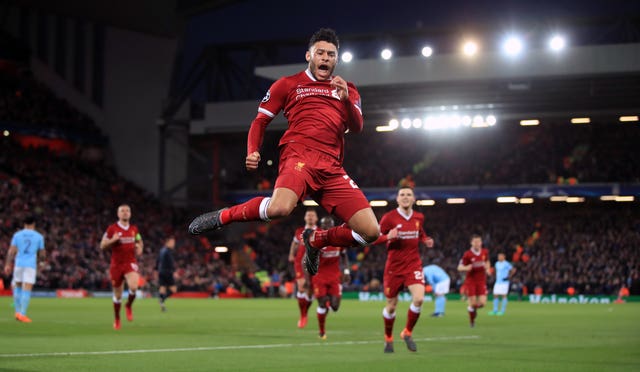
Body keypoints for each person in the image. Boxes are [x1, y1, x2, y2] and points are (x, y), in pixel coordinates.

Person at [188, 28, 379, 276]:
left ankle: (316, 240)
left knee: (371, 232)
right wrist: (252, 150)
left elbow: (357, 127)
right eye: (320, 52)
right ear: (308, 55)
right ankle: (224, 216)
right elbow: (260, 121)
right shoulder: (288, 84)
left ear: (336, 59)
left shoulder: (347, 89)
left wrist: (344, 100)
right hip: (299, 158)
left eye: (331, 54)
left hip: (331, 168)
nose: (325, 58)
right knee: (280, 208)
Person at [373, 187, 434, 353]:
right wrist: (388, 237)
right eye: (402, 195)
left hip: (413, 265)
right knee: (391, 306)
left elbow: (419, 231)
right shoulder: (388, 218)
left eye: (408, 195)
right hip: (394, 268)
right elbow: (373, 238)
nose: (405, 197)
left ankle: (407, 332)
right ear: (397, 199)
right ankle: (388, 338)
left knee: (419, 299)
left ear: (414, 199)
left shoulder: (419, 217)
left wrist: (424, 239)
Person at [100, 204, 144, 330]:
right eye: (122, 211)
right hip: (116, 265)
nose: (125, 212)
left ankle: (128, 305)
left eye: (127, 210)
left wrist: (140, 248)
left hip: (130, 262)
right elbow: (102, 245)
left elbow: (139, 241)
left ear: (130, 214)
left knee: (134, 286)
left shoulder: (134, 229)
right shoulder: (111, 229)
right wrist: (112, 240)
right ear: (118, 214)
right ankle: (117, 318)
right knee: (118, 296)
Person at [311, 216, 349, 340]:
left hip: (334, 277)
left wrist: (346, 271)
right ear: (321, 227)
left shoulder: (339, 240)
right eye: (325, 225)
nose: (327, 227)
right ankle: (322, 332)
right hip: (319, 277)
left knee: (335, 307)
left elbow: (344, 256)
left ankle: (329, 304)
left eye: (329, 225)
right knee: (322, 304)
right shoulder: (316, 241)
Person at [4, 216, 45, 323]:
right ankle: (22, 314)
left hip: (19, 264)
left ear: (24, 224)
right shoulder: (39, 236)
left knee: (17, 286)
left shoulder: (17, 235)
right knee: (27, 288)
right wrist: (41, 262)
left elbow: (11, 251)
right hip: (30, 265)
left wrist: (8, 264)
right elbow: (42, 252)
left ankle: (17, 312)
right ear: (34, 224)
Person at [287, 209, 318, 328]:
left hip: (314, 264)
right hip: (300, 262)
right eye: (308, 215)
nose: (310, 217)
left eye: (312, 215)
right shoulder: (299, 231)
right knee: (301, 286)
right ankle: (303, 315)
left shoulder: (320, 231)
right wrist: (291, 254)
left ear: (316, 219)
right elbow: (294, 243)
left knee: (310, 291)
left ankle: (305, 312)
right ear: (305, 218)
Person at [457, 234, 491, 328]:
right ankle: (472, 321)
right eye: (475, 242)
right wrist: (466, 267)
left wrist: (487, 268)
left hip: (481, 281)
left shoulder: (485, 252)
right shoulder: (467, 254)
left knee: (483, 303)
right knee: (472, 303)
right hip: (471, 281)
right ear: (471, 243)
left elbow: (487, 261)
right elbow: (459, 267)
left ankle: (472, 309)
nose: (477, 244)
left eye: (479, 242)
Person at [157, 236, 177, 312]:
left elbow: (157, 260)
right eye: (172, 242)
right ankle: (162, 299)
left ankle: (162, 305)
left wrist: (156, 269)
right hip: (167, 272)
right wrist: (173, 271)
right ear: (168, 242)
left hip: (161, 272)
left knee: (162, 288)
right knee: (173, 289)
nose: (173, 244)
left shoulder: (161, 250)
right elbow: (170, 263)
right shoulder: (168, 252)